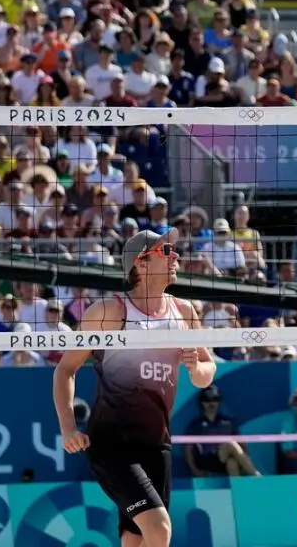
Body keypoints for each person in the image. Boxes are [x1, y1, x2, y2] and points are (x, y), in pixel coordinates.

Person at [52, 228, 217, 547]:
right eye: (166, 251)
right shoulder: (109, 312)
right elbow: (65, 370)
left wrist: (196, 366)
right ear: (140, 264)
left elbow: (205, 375)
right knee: (160, 530)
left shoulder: (184, 311)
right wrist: (68, 427)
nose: (176, 256)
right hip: (112, 444)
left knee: (135, 539)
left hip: (157, 443)